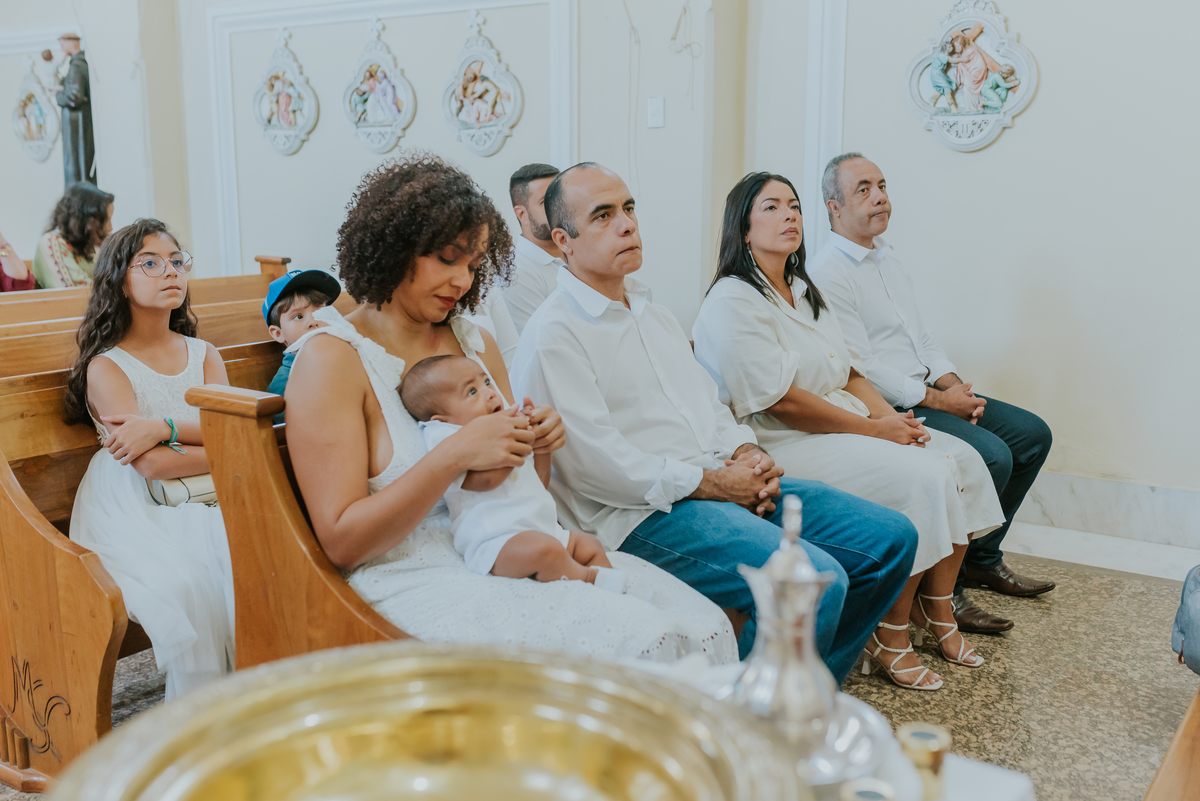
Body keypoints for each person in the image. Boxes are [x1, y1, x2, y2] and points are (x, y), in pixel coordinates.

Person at [283, 153, 737, 666]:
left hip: (510, 547)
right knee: (630, 644)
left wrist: (538, 446)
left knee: (692, 622)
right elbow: (343, 543)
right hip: (409, 575)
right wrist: (453, 457)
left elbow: (520, 492)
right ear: (395, 247)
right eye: (447, 259)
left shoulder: (473, 342)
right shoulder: (331, 359)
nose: (461, 282)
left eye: (474, 266)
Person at [509, 162, 919, 683]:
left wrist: (746, 452)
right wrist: (712, 484)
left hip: (717, 477)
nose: (628, 225)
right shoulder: (555, 332)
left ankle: (805, 694)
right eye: (604, 216)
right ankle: (751, 726)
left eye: (629, 209)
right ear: (564, 240)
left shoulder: (651, 313)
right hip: (640, 513)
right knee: (812, 580)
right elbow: (597, 466)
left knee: (890, 539)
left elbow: (705, 403)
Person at [693, 172, 1005, 690]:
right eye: (771, 207)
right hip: (780, 437)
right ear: (743, 228)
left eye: (793, 205)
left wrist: (894, 421)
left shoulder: (801, 287)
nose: (789, 215)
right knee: (923, 476)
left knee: (963, 462)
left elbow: (853, 371)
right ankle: (890, 633)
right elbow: (785, 402)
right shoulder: (733, 300)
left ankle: (939, 612)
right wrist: (876, 432)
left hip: (844, 420)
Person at [809, 152, 1055, 637]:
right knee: (994, 456)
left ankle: (983, 559)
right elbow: (862, 366)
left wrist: (954, 386)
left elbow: (922, 339)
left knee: (1031, 435)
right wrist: (938, 402)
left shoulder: (888, 256)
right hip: (891, 402)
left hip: (930, 390)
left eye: (882, 185)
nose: (880, 196)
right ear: (834, 207)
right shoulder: (827, 272)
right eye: (863, 189)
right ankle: (945, 589)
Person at [64, 219, 234, 700]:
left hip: (203, 488)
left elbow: (233, 429)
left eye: (177, 262)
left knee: (262, 551)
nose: (170, 272)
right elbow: (153, 467)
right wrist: (216, 446)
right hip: (136, 504)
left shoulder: (203, 353)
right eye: (151, 263)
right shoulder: (107, 366)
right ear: (120, 279)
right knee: (196, 578)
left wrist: (164, 428)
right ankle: (206, 716)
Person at [400, 355, 629, 593]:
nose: (490, 393)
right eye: (471, 392)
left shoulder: (503, 429)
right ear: (443, 420)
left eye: (487, 382)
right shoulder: (446, 436)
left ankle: (617, 593)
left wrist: (539, 445)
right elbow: (486, 480)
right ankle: (591, 582)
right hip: (497, 541)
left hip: (543, 530)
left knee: (588, 544)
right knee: (546, 552)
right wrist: (518, 437)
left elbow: (538, 484)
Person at [263, 269, 342, 424]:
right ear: (278, 333)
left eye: (320, 311)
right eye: (298, 316)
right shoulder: (286, 382)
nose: (313, 321)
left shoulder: (341, 359)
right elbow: (285, 435)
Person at [502, 163, 566, 334]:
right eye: (546, 202)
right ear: (522, 214)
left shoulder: (580, 252)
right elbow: (538, 345)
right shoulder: (516, 272)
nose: (560, 209)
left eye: (561, 198)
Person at [32, 182, 114, 288]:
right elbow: (74, 290)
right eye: (107, 219)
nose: (110, 227)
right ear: (88, 221)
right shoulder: (52, 242)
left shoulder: (91, 244)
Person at [55, 33, 96, 188]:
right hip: (77, 123)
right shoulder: (77, 64)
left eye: (62, 44)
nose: (61, 48)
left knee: (77, 166)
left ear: (71, 43)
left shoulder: (77, 65)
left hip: (77, 125)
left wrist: (58, 94)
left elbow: (75, 96)